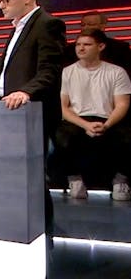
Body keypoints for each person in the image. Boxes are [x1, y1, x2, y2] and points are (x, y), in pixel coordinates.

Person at [0, 0, 65, 244]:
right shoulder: (17, 27)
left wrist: (25, 91)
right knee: (12, 177)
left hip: (31, 113)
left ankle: (42, 237)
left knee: (33, 180)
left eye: (6, 0)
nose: (1, 5)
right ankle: (14, 229)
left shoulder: (48, 25)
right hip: (8, 112)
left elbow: (50, 71)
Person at [55, 30, 131, 200]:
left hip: (107, 118)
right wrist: (85, 125)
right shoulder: (66, 72)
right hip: (77, 119)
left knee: (126, 137)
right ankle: (74, 180)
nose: (81, 48)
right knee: (62, 136)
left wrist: (107, 125)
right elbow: (63, 108)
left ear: (101, 46)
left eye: (87, 44)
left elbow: (122, 104)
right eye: (78, 45)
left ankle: (121, 180)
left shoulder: (116, 72)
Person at [62, 11, 131, 74]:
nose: (85, 28)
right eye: (83, 25)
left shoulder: (120, 48)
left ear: (103, 26)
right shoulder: (70, 50)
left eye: (90, 24)